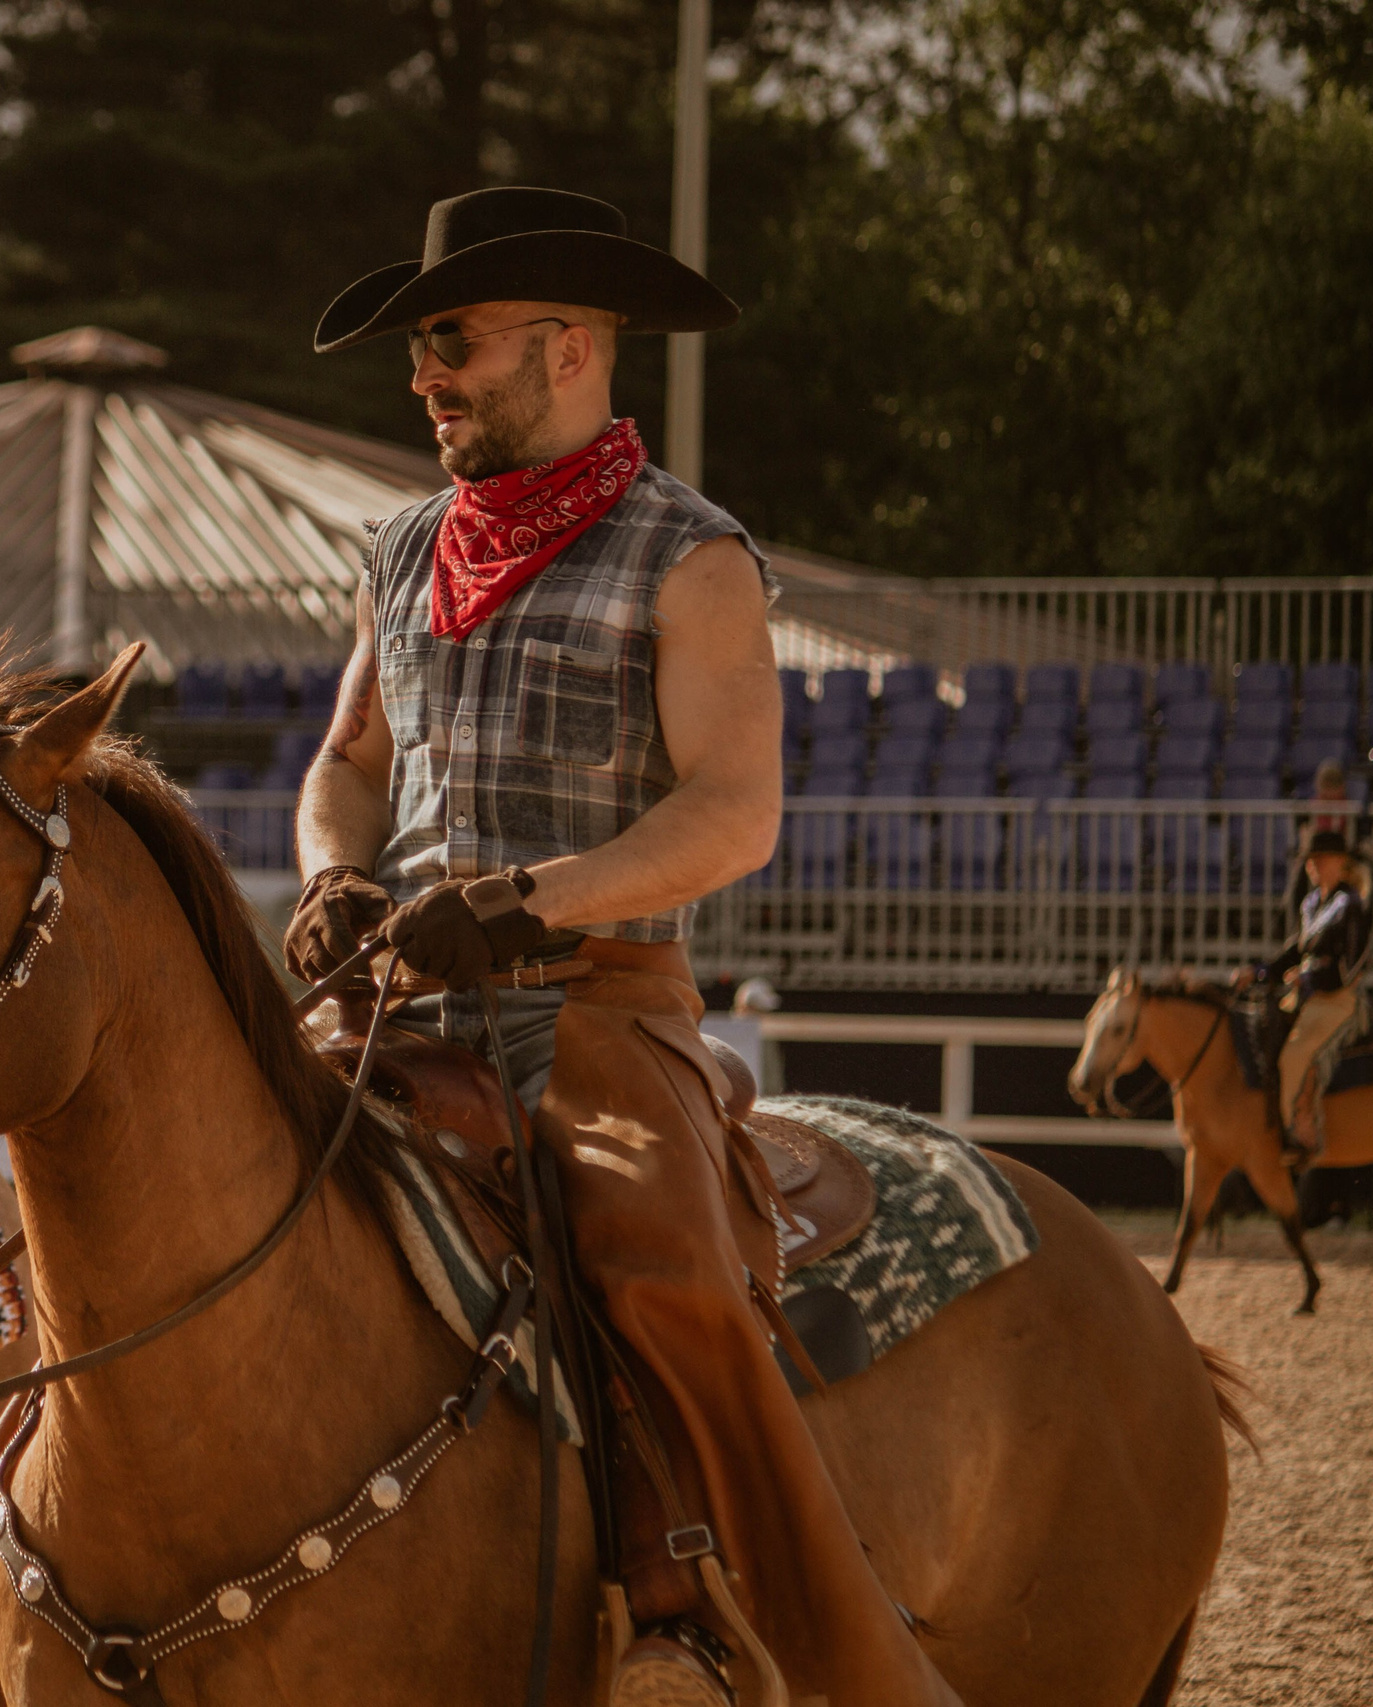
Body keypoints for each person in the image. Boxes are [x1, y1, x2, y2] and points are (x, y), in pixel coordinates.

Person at [287, 188, 957, 1707]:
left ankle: (724, 1622)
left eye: (449, 339)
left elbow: (734, 813)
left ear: (572, 344)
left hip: (597, 1003)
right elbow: (348, 757)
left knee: (665, 1263)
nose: (422, 374)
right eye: (419, 347)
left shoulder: (691, 553)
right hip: (397, 1000)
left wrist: (530, 900)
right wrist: (335, 871)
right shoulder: (401, 548)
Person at [1242, 828, 1372, 1158]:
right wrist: (1261, 971)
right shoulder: (1313, 903)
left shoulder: (1351, 905)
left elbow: (1351, 968)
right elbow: (1297, 950)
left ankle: (1295, 1133)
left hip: (1338, 1000)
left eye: (1320, 859)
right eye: (1310, 861)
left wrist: (1310, 978)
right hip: (1308, 996)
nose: (1312, 866)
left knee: (1296, 1054)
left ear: (1340, 863)